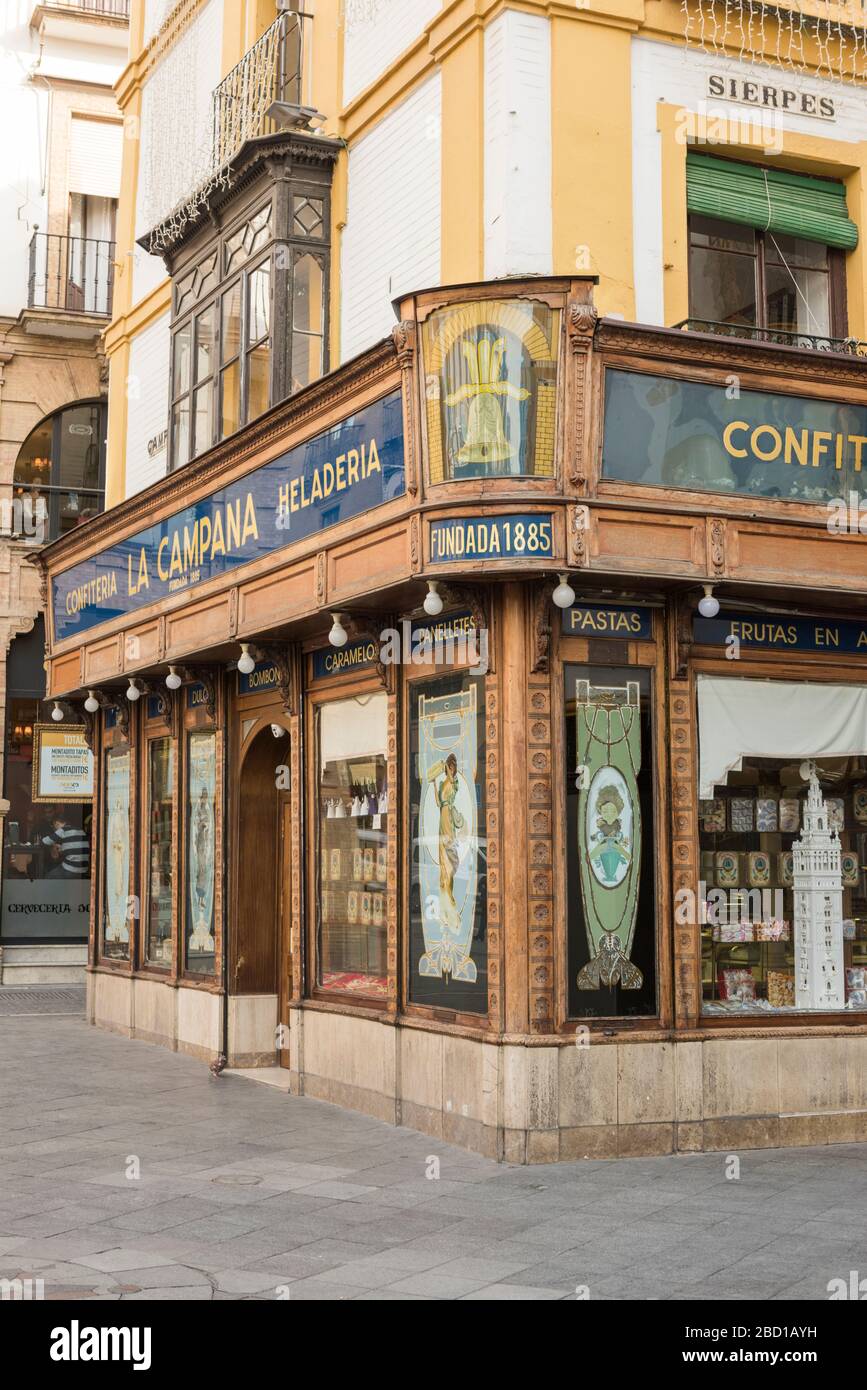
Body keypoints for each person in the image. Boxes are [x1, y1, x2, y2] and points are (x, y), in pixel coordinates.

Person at [41, 811, 90, 879]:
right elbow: (74, 848)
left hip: (72, 869)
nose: (55, 829)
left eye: (54, 826)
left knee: (48, 877)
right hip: (84, 869)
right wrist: (61, 847)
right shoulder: (80, 830)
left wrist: (53, 845)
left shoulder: (63, 830)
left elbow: (44, 842)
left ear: (56, 823)